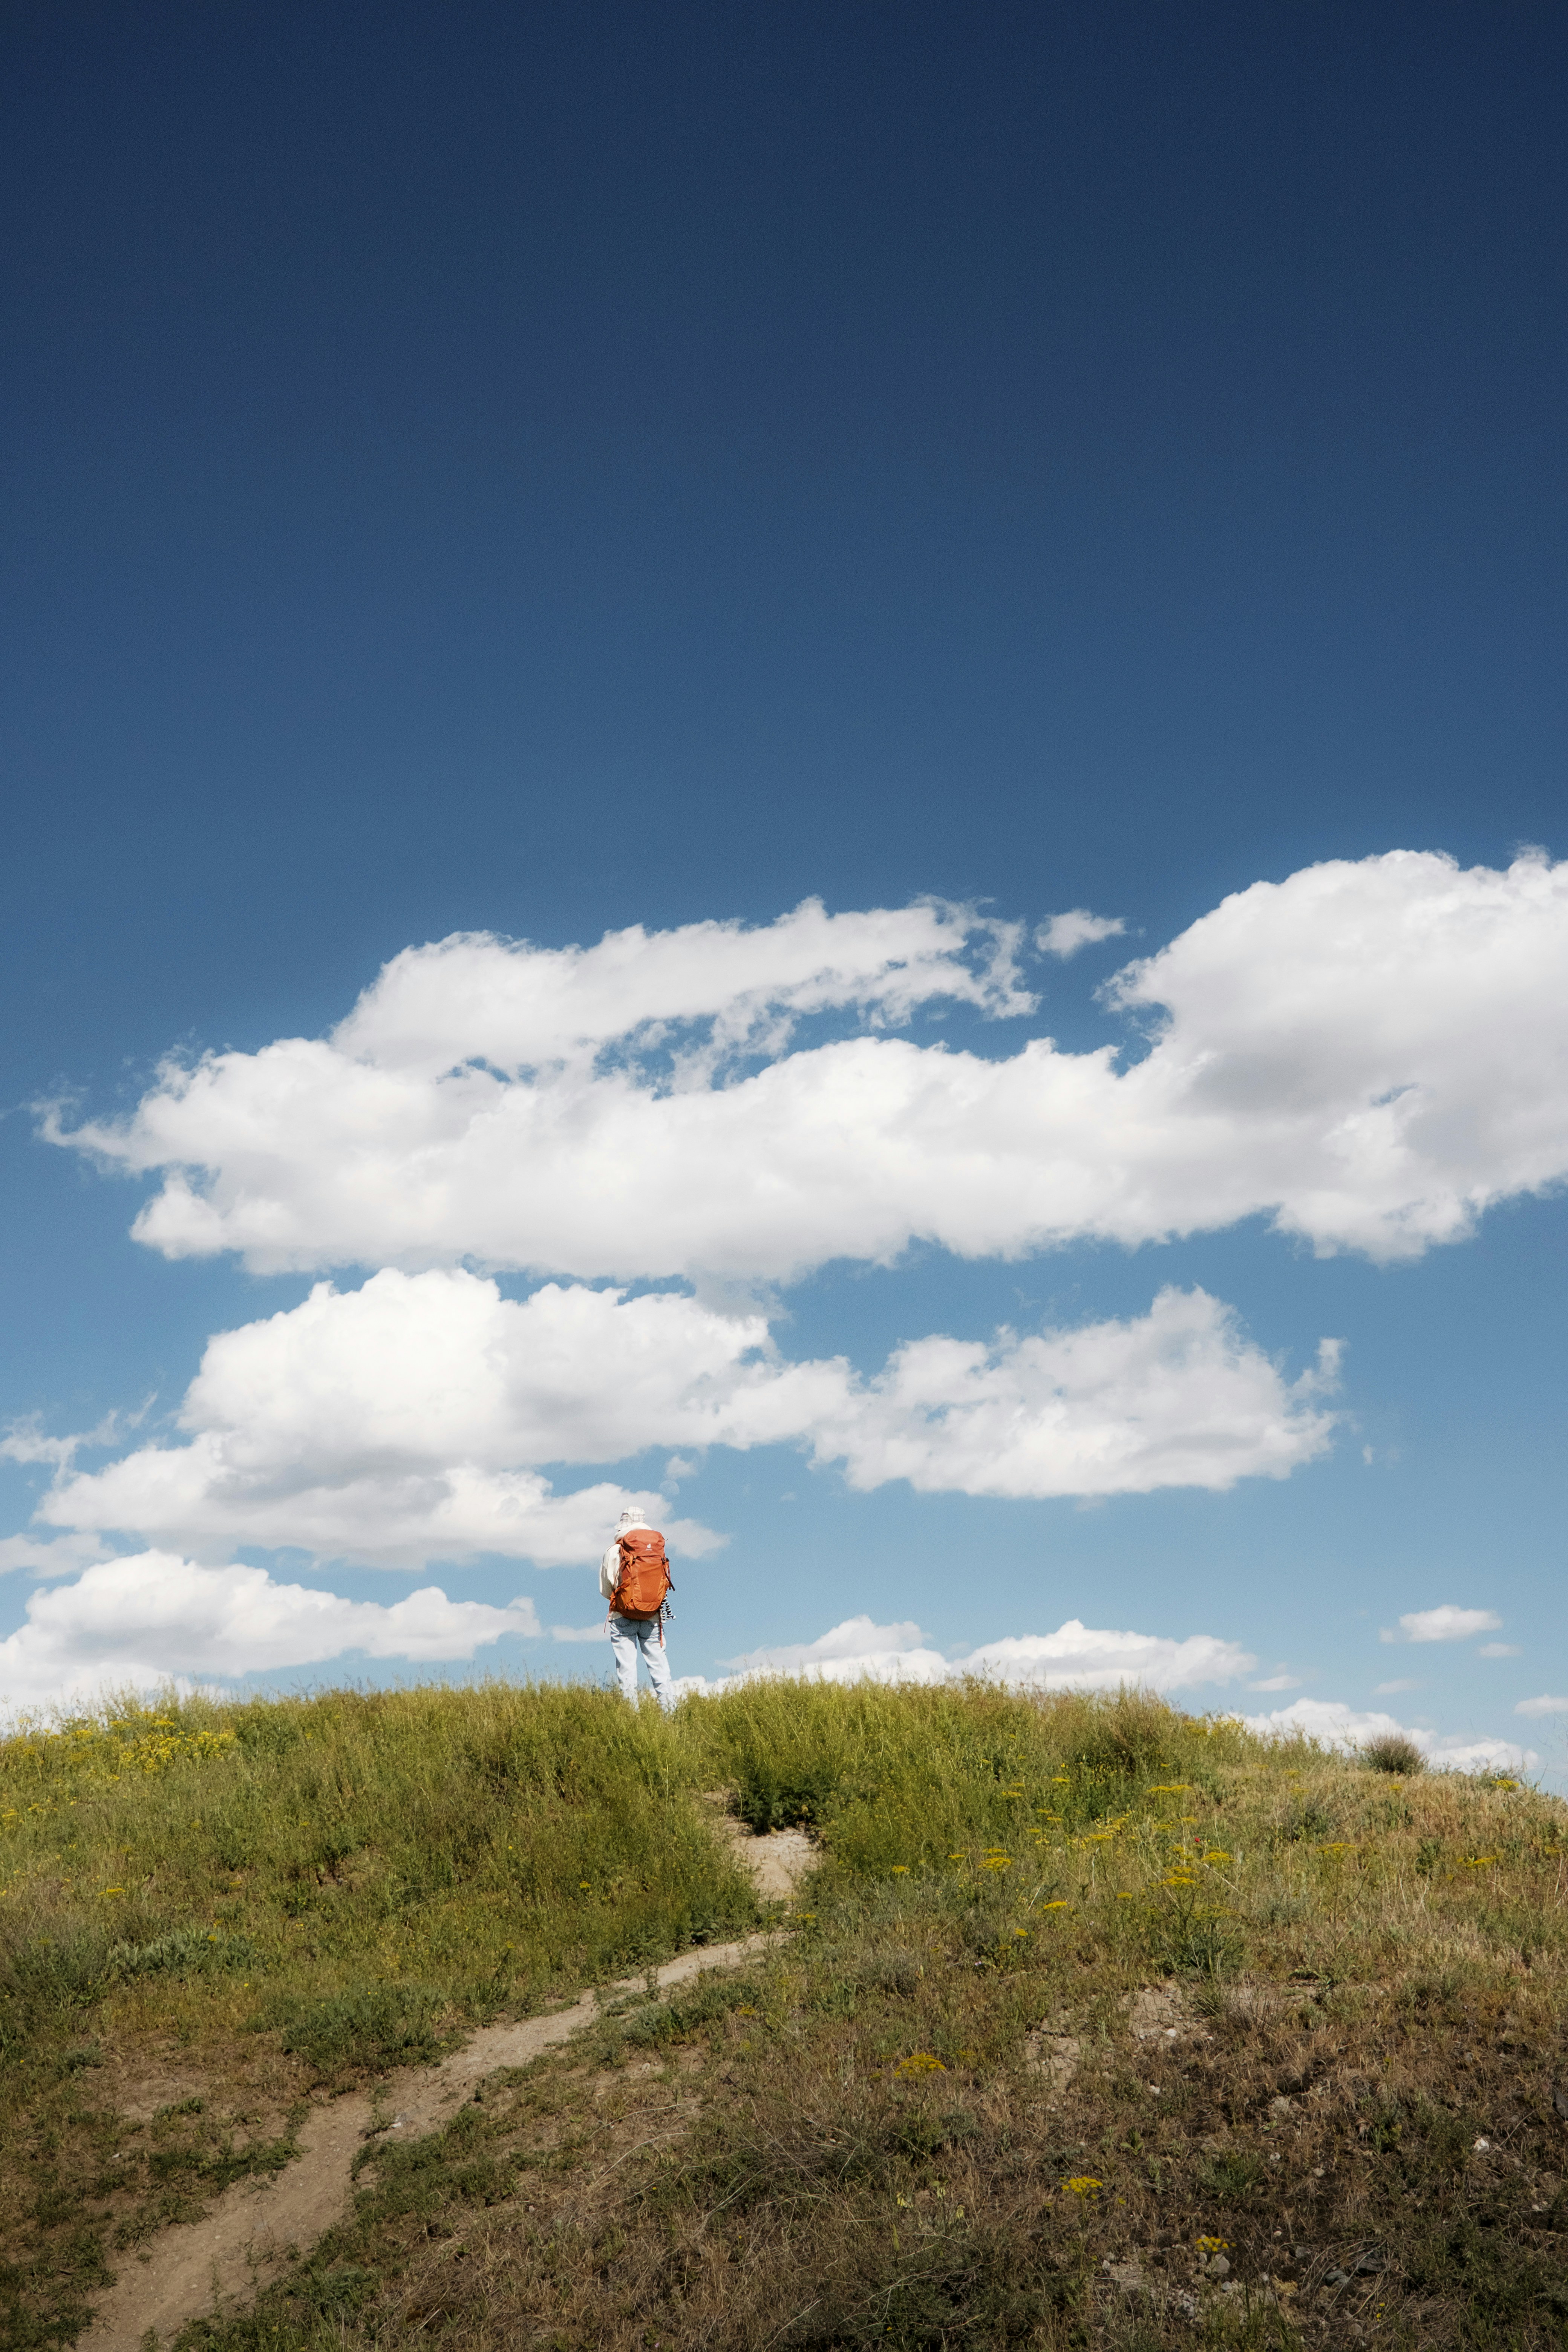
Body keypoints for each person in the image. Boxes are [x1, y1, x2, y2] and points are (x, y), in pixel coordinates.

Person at [601, 1505, 676, 1712]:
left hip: (621, 1615)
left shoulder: (614, 1550)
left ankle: (631, 1716)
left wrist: (625, 1599)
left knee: (626, 1669)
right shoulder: (656, 1548)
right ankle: (669, 1711)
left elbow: (605, 1589)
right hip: (652, 1615)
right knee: (659, 1666)